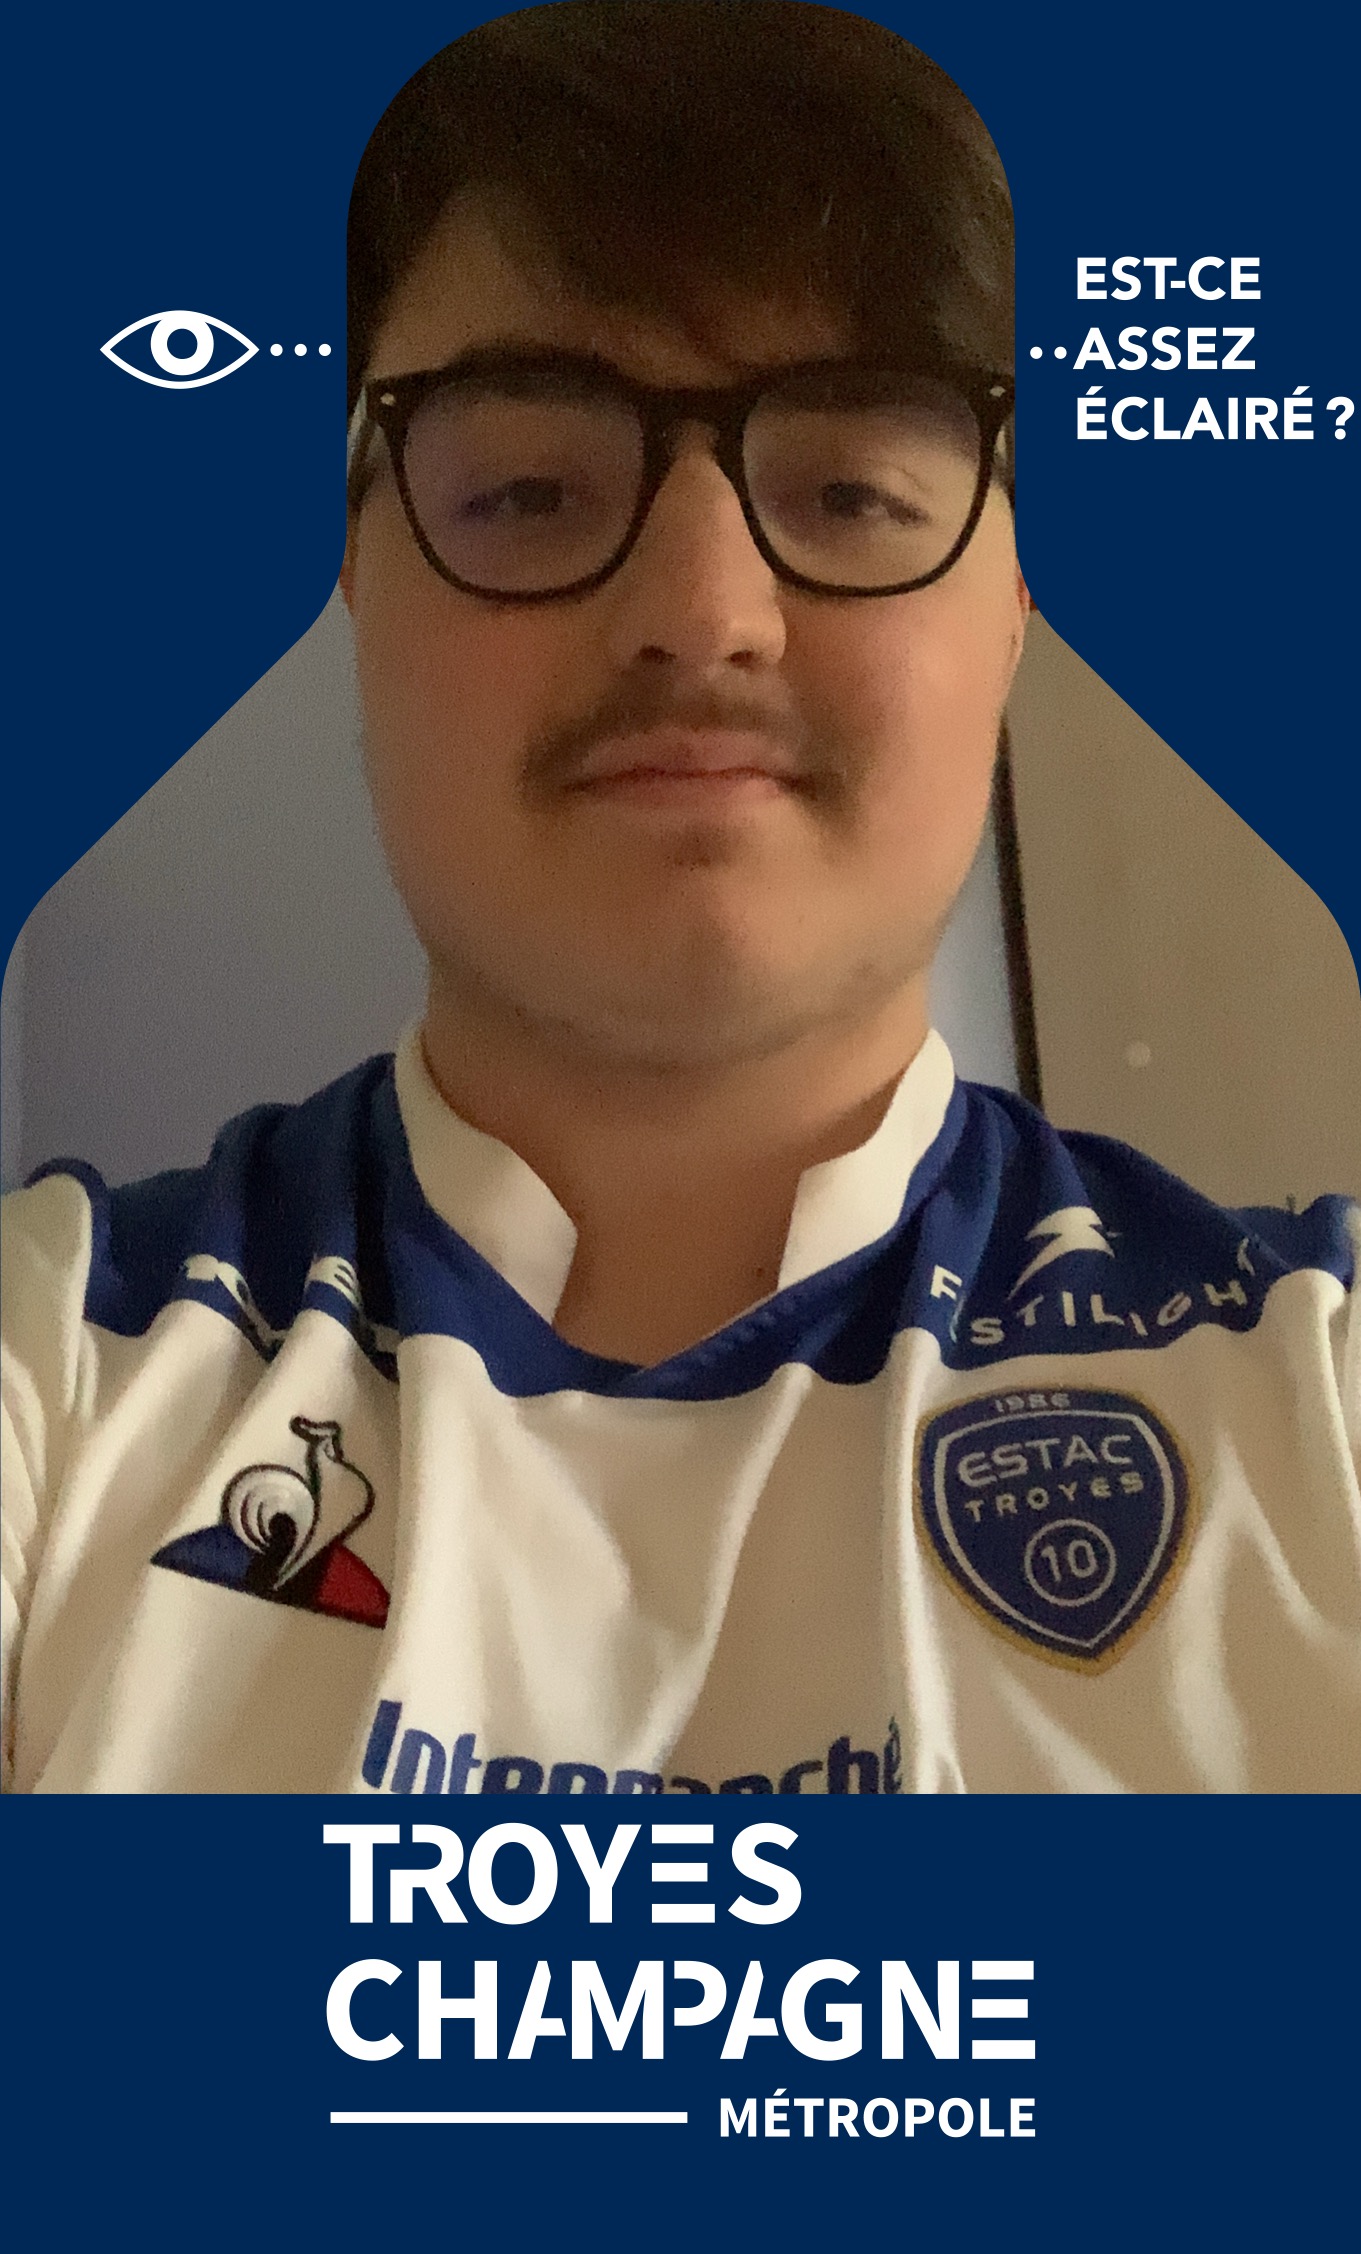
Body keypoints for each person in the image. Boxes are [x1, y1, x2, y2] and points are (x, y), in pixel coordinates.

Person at [3, 1, 1357, 1796]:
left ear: (1023, 594)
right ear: (346, 573)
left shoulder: (1319, 1407)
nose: (701, 612)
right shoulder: (51, 1369)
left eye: (854, 488)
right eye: (528, 488)